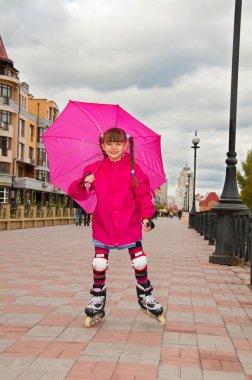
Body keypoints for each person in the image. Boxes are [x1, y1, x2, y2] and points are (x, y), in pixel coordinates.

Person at [69, 127, 165, 325]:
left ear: (125, 146)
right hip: (103, 224)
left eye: (118, 144)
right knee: (99, 263)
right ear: (102, 145)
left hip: (129, 224)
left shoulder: (133, 170)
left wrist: (146, 217)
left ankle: (145, 295)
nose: (113, 148)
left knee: (139, 261)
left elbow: (143, 196)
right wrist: (83, 182)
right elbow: (77, 195)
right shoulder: (94, 168)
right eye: (109, 144)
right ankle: (97, 297)